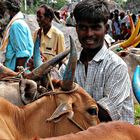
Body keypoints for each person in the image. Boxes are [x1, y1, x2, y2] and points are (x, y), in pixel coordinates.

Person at [61, 0, 134, 123]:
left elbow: (106, 114)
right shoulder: (67, 67)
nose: (89, 34)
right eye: (83, 27)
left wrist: (72, 96)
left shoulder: (116, 66)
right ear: (76, 28)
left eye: (95, 27)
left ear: (106, 29)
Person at [0, 0, 34, 72]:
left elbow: (22, 55)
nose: (1, 16)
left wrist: (16, 77)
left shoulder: (17, 25)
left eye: (3, 11)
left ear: (10, 10)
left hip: (16, 75)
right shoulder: (13, 24)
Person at [28, 4, 65, 70]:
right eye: (37, 17)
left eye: (40, 17)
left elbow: (61, 62)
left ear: (48, 18)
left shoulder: (58, 35)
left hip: (51, 76)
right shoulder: (37, 33)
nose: (37, 19)